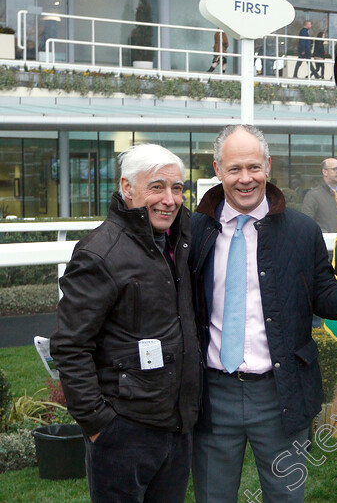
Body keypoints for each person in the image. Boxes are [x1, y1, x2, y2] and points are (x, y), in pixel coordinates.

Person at [189, 124, 337, 503]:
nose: (245, 179)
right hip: (213, 397)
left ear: (268, 165)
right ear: (217, 170)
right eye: (234, 169)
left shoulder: (301, 230)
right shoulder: (194, 231)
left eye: (253, 167)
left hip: (280, 395)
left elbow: (324, 297)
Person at [51, 144, 200, 503]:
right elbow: (70, 345)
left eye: (177, 188)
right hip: (123, 432)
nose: (170, 199)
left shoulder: (179, 239)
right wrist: (99, 425)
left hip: (176, 428)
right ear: (127, 187)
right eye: (157, 187)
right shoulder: (100, 253)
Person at [301, 157, 337, 233]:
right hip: (324, 242)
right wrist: (323, 233)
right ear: (325, 172)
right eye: (335, 169)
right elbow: (306, 223)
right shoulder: (313, 195)